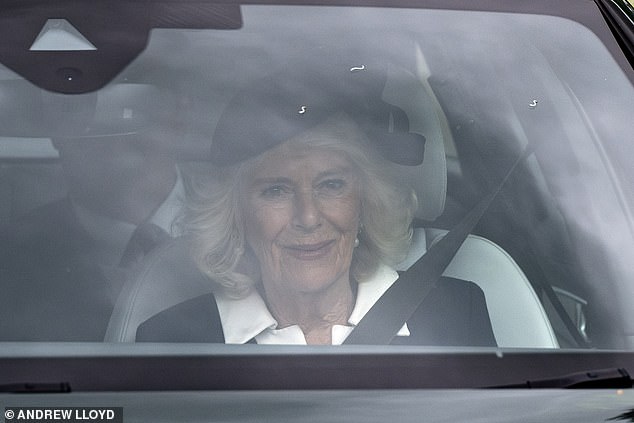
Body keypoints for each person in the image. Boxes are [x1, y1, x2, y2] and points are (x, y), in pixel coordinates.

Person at [134, 64, 496, 345]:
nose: (308, 217)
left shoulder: (454, 314)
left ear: (364, 203)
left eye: (332, 185)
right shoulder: (172, 341)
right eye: (276, 191)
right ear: (237, 215)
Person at [0, 83, 184, 341]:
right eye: (79, 106)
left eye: (135, 105)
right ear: (53, 127)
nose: (113, 134)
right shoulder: (9, 264)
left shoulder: (247, 230)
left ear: (180, 115)